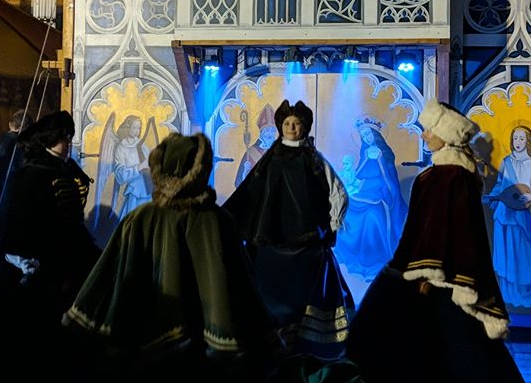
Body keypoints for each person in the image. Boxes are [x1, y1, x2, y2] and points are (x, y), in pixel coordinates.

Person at [63, 132, 280, 379]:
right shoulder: (217, 220)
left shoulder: (141, 218)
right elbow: (242, 282)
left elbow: (110, 272)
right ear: (201, 169)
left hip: (146, 339)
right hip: (206, 349)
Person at [346, 99, 524, 382]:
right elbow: (419, 227)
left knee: (454, 346)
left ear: (446, 134)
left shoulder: (450, 176)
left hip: (442, 275)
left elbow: (450, 229)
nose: (424, 135)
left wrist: (429, 273)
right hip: (420, 266)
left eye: (429, 130)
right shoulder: (437, 175)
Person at [224, 99, 354, 360]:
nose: (292, 128)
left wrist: (331, 226)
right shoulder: (270, 160)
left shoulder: (314, 159)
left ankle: (308, 346)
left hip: (307, 243)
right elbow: (250, 192)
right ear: (280, 126)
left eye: (296, 124)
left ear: (304, 126)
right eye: (287, 123)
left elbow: (337, 190)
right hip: (271, 240)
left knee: (308, 292)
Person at [0, 110, 101, 376]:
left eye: (69, 138)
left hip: (68, 253)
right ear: (50, 140)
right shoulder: (31, 174)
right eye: (64, 138)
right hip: (42, 257)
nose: (68, 144)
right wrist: (25, 257)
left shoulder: (63, 168)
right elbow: (21, 222)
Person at [483, 125, 531, 308]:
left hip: (522, 218)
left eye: (522, 138)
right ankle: (507, 294)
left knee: (521, 256)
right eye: (515, 138)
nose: (518, 142)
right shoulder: (506, 162)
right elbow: (500, 186)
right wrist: (492, 197)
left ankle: (523, 294)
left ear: (528, 141)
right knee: (505, 255)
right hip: (503, 216)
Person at [334, 117, 407, 281]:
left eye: (368, 134)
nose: (366, 138)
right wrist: (351, 180)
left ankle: (374, 260)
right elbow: (360, 172)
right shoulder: (365, 152)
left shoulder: (385, 154)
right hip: (365, 191)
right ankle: (351, 253)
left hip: (382, 193)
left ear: (376, 134)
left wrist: (378, 162)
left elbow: (388, 179)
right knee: (347, 208)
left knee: (373, 215)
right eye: (363, 136)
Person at [113, 114, 152, 220]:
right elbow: (120, 176)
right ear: (127, 128)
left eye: (139, 128)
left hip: (148, 188)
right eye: (134, 127)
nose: (137, 131)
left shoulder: (142, 145)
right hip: (135, 192)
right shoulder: (121, 148)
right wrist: (139, 167)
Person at [235, 104, 278, 187]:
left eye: (272, 130)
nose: (270, 134)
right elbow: (239, 183)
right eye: (267, 130)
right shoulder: (251, 153)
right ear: (261, 133)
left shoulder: (279, 151)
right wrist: (245, 173)